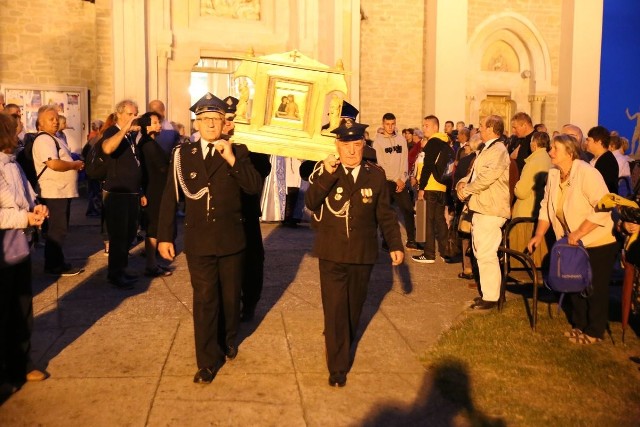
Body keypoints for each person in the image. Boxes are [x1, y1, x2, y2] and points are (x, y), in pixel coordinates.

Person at [157, 93, 262, 384]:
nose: (210, 124)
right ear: (197, 123)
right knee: (204, 300)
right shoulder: (183, 155)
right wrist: (165, 236)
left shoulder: (238, 151)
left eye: (216, 119)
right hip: (199, 241)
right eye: (204, 120)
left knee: (230, 299)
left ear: (224, 122)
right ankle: (206, 360)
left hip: (231, 240)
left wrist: (230, 159)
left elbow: (253, 187)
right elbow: (170, 197)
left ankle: (229, 338)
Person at [305, 120, 404, 387]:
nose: (351, 151)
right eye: (346, 145)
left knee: (352, 309)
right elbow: (311, 201)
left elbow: (385, 214)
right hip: (332, 251)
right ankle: (338, 366)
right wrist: (326, 173)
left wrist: (395, 244)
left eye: (357, 145)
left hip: (362, 253)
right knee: (335, 308)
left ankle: (341, 339)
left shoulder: (376, 175)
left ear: (364, 146)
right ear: (337, 146)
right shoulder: (328, 171)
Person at [527, 134, 617, 344]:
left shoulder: (587, 173)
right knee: (574, 280)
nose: (550, 152)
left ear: (570, 152)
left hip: (597, 240)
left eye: (555, 149)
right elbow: (545, 206)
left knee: (594, 287)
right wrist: (539, 234)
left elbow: (604, 207)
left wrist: (579, 233)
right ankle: (579, 325)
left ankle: (594, 331)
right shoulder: (553, 175)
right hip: (571, 241)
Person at [0, 112, 50, 392]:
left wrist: (37, 207)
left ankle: (21, 363)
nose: (20, 132)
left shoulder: (13, 164)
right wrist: (23, 219)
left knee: (22, 310)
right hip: (3, 249)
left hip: (18, 247)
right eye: (14, 128)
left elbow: (27, 196)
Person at [456, 115, 511, 310]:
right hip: (481, 207)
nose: (478, 129)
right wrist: (462, 183)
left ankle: (492, 296)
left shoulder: (499, 150)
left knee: (487, 253)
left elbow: (488, 176)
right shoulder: (486, 149)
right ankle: (488, 292)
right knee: (481, 251)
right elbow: (474, 173)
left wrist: (468, 189)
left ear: (491, 129)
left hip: (491, 208)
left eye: (481, 126)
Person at [32, 105, 84, 276]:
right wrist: (74, 165)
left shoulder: (53, 138)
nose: (55, 122)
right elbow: (53, 163)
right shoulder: (44, 140)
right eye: (51, 119)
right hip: (54, 192)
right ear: (40, 123)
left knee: (59, 229)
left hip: (60, 191)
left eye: (56, 118)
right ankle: (53, 266)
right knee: (57, 229)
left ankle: (58, 261)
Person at [100, 99, 143, 289]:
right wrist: (124, 129)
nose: (133, 118)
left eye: (135, 114)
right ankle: (115, 274)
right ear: (119, 114)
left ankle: (122, 269)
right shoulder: (113, 132)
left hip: (131, 192)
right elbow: (108, 148)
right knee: (118, 235)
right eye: (129, 114)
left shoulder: (131, 136)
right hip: (118, 192)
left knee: (129, 233)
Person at [372, 112, 417, 250]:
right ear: (383, 124)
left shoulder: (401, 140)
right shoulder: (377, 142)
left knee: (408, 210)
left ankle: (411, 239)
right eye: (387, 124)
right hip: (386, 181)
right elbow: (380, 164)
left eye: (392, 124)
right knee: (386, 212)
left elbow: (405, 160)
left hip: (400, 181)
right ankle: (386, 239)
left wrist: (402, 178)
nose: (390, 127)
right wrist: (394, 179)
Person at [412, 115, 453, 264]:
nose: (424, 128)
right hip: (441, 186)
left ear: (436, 127)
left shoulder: (433, 142)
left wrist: (421, 187)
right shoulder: (446, 143)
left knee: (428, 220)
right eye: (423, 125)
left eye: (427, 125)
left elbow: (428, 165)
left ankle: (429, 254)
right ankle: (445, 252)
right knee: (440, 220)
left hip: (430, 186)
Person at [138, 111, 172, 278]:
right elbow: (161, 167)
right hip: (154, 189)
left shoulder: (149, 142)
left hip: (155, 188)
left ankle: (152, 262)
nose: (159, 125)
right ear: (147, 125)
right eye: (156, 122)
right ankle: (151, 264)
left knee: (154, 226)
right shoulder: (148, 144)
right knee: (153, 227)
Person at [511, 131, 553, 268]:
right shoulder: (550, 159)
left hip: (526, 211)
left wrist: (516, 186)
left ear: (534, 144)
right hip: (542, 211)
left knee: (523, 254)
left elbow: (522, 192)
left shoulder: (533, 162)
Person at [586, 125, 618, 194]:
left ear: (599, 142)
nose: (586, 143)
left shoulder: (607, 162)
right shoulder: (596, 158)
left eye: (589, 140)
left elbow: (603, 186)